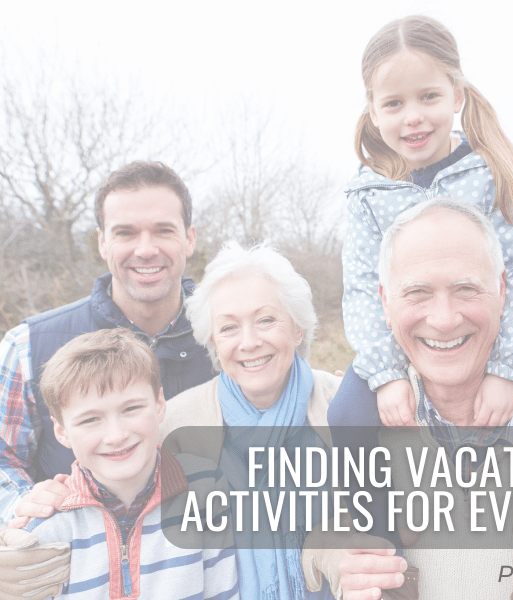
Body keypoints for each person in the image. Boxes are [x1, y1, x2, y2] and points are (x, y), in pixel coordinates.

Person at [334, 198, 513, 600]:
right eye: (418, 292)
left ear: (503, 290)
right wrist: (339, 565)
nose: (444, 319)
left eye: (466, 289)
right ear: (384, 302)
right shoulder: (350, 427)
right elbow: (307, 533)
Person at [335, 14, 513, 431]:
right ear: (373, 110)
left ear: (456, 95)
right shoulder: (367, 196)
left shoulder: (492, 168)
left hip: (497, 332)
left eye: (428, 96)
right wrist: (386, 374)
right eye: (394, 103)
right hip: (409, 337)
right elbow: (363, 288)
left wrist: (505, 368)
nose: (413, 117)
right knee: (347, 413)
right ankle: (368, 500)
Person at [0, 161, 214, 527]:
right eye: (125, 233)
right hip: (83, 576)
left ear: (189, 238)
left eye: (163, 230)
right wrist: (23, 506)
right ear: (102, 241)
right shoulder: (29, 345)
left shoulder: (233, 341)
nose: (146, 250)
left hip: (210, 574)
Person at [160, 241, 341, 600]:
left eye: (266, 320)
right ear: (213, 340)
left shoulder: (343, 404)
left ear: (298, 328)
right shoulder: (174, 426)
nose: (249, 342)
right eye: (229, 328)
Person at [23, 328, 239, 599]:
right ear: (62, 431)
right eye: (90, 420)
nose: (116, 436)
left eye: (131, 409)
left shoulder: (205, 488)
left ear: (159, 404)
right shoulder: (47, 527)